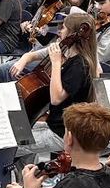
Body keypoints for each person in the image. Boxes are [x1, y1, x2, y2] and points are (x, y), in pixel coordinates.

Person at [12, 13, 98, 167]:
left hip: (62, 132)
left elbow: (56, 98)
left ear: (73, 33)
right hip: (56, 122)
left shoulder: (80, 66)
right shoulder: (72, 55)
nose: (59, 30)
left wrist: (56, 63)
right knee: (19, 132)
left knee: (9, 146)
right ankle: (24, 179)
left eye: (63, 27)